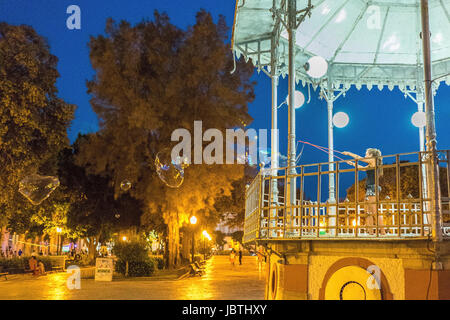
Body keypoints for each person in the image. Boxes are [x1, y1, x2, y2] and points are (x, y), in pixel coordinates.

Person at [343, 148, 385, 235]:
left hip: (372, 188)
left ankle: (382, 231)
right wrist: (353, 164)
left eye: (367, 154)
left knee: (374, 211)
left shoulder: (374, 160)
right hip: (369, 188)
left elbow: (360, 158)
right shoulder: (371, 164)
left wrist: (349, 153)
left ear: (371, 155)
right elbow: (362, 168)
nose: (365, 155)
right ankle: (370, 231)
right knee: (368, 211)